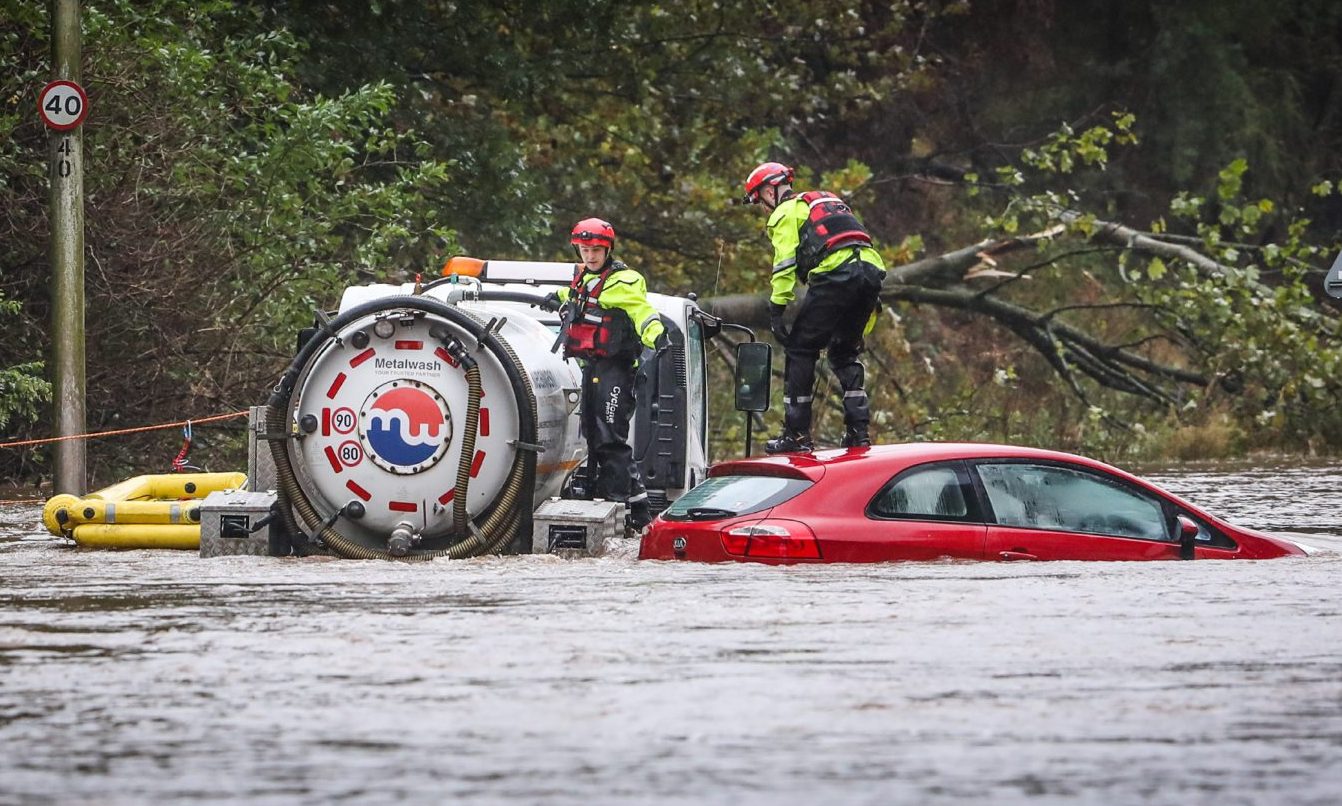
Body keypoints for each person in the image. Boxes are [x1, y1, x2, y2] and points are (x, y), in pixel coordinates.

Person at [741, 161, 887, 453]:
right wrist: (858, 328)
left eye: (760, 201)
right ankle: (858, 432)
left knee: (800, 349)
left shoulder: (785, 211)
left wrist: (777, 307)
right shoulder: (827, 201)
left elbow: (784, 262)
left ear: (770, 191)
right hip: (871, 273)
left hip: (835, 275)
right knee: (844, 351)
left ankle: (796, 435)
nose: (764, 209)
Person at [550, 217, 667, 532]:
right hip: (591, 367)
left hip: (616, 368)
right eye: (584, 250)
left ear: (608, 249)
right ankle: (638, 509)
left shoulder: (624, 281)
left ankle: (619, 505)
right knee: (592, 434)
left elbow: (642, 311)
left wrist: (657, 334)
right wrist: (557, 298)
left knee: (609, 438)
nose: (590, 256)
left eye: (596, 251)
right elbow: (577, 298)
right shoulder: (582, 278)